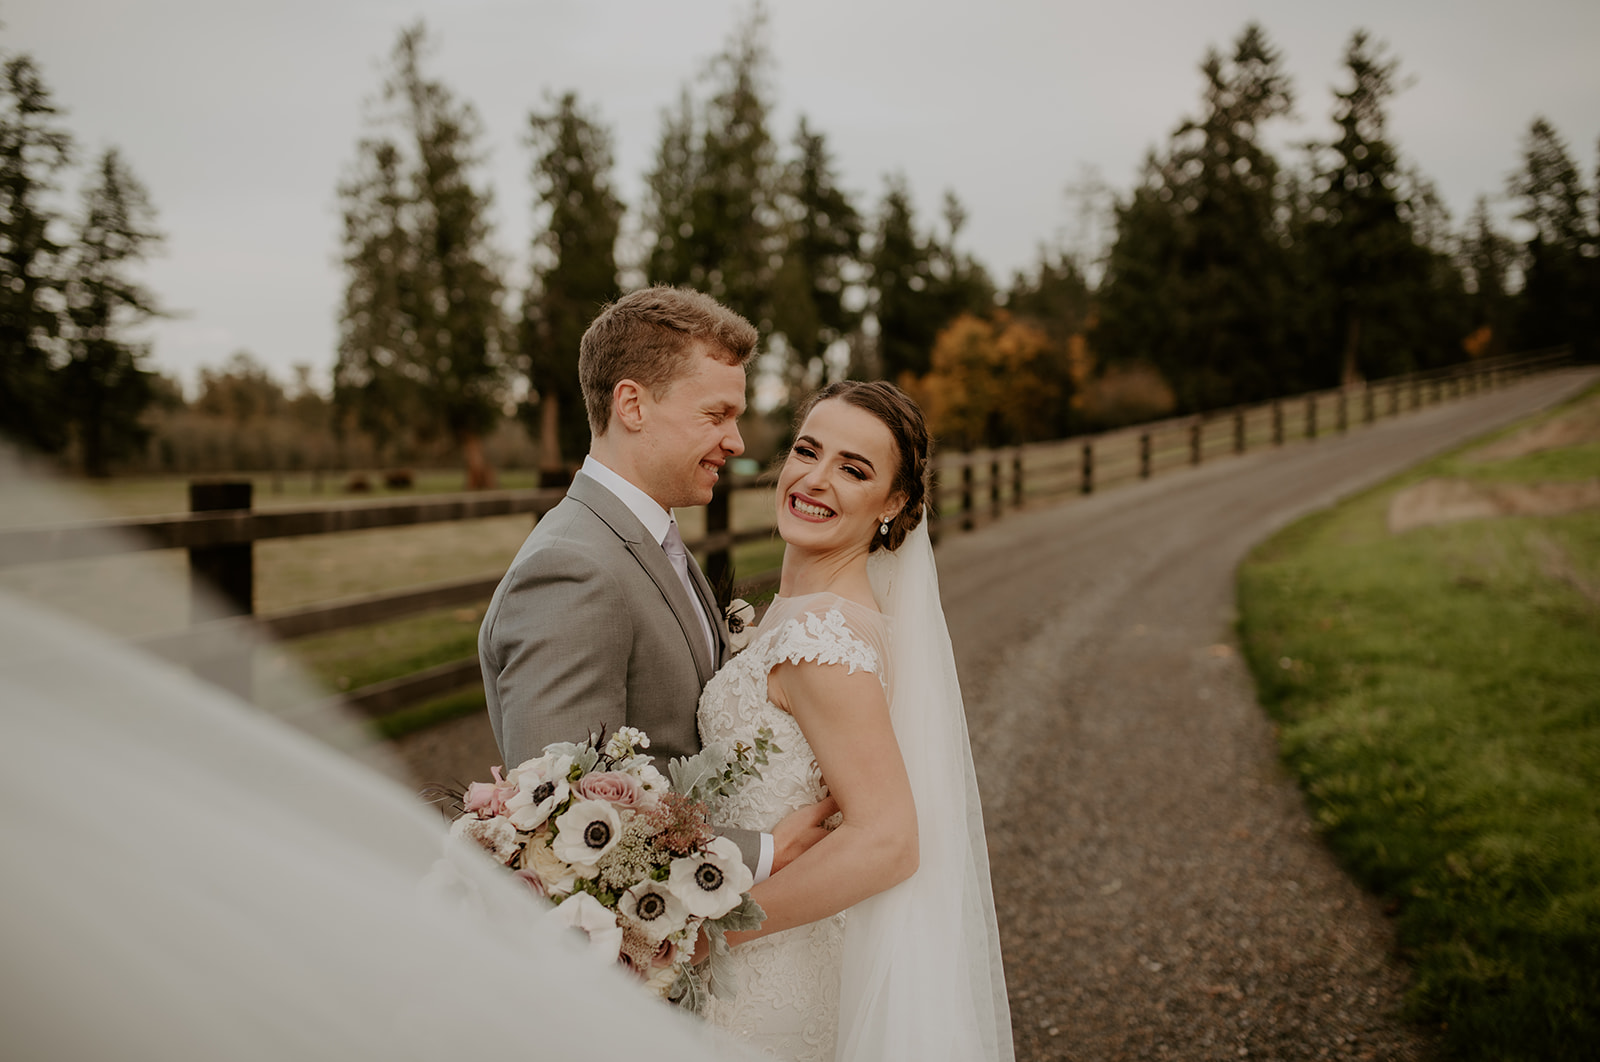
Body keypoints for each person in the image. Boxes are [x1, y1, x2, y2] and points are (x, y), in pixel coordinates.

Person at [696, 381, 1014, 1061]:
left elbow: (888, 842)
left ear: (893, 503)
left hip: (762, 980)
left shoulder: (820, 641)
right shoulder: (820, 617)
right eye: (808, 451)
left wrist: (710, 932)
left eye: (854, 469)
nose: (815, 479)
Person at [478, 285, 833, 882]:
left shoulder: (650, 538)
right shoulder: (569, 570)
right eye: (716, 415)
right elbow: (566, 827)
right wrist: (768, 854)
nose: (737, 442)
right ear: (632, 405)